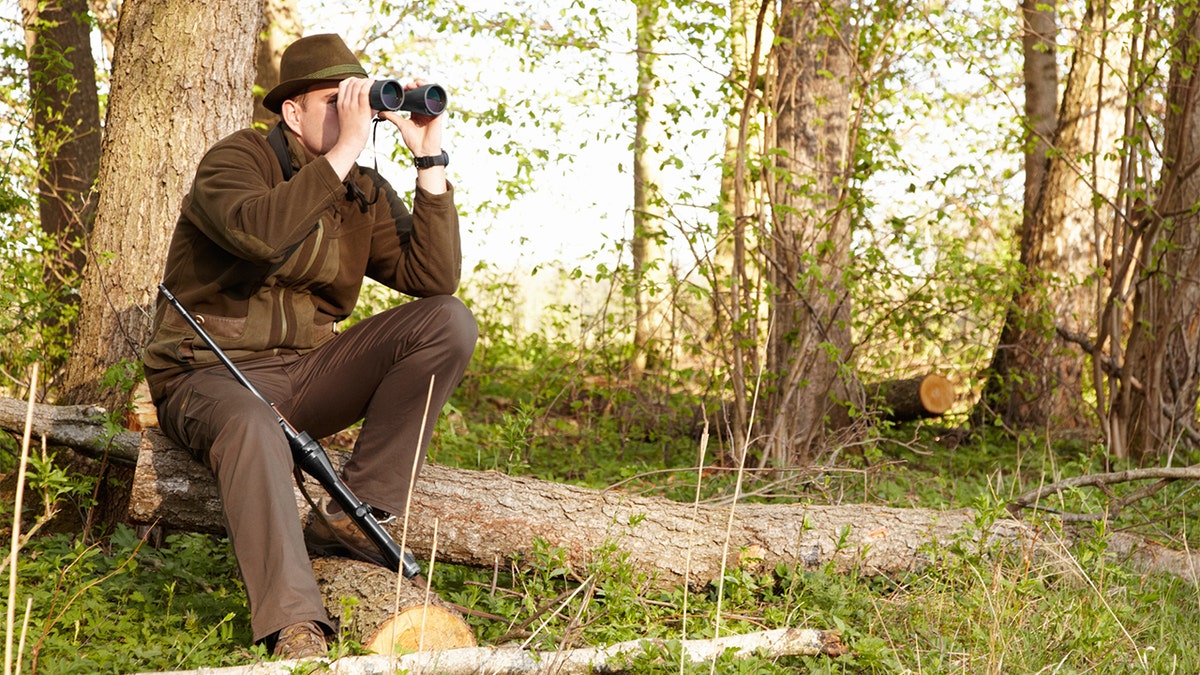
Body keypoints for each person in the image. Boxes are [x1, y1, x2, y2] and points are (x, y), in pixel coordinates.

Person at [142, 33, 477, 659]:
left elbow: (432, 281)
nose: (351, 111)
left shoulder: (363, 189)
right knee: (250, 423)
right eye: (334, 100)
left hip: (305, 373)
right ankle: (295, 626)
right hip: (210, 375)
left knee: (447, 321)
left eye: (358, 100)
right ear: (291, 111)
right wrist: (347, 148)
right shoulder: (235, 160)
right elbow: (261, 236)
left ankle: (356, 513)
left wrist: (430, 160)